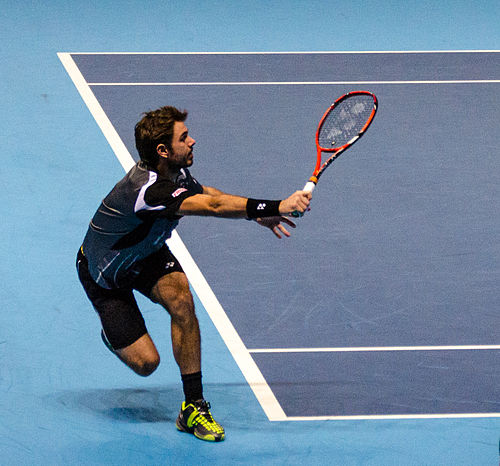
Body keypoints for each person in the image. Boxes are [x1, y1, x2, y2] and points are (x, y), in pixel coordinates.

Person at [76, 105, 311, 442]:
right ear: (163, 151)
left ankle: (193, 408)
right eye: (184, 138)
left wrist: (254, 216)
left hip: (146, 253)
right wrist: (276, 206)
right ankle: (115, 336)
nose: (193, 141)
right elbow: (212, 208)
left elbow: (207, 194)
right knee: (146, 364)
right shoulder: (149, 191)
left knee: (182, 298)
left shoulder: (175, 175)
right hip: (105, 273)